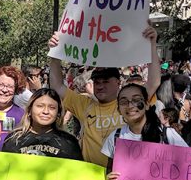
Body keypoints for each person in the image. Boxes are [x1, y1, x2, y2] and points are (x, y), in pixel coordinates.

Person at [48, 23, 160, 167]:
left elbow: (154, 82)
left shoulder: (130, 103)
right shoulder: (84, 104)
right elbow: (57, 85)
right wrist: (54, 54)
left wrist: (151, 44)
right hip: (91, 178)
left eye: (105, 81)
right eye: (97, 82)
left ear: (118, 83)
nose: (100, 86)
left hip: (126, 179)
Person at [2, 87, 82, 160]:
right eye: (40, 106)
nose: (45, 111)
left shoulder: (69, 142)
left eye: (52, 108)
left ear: (58, 113)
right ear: (30, 110)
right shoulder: (13, 140)